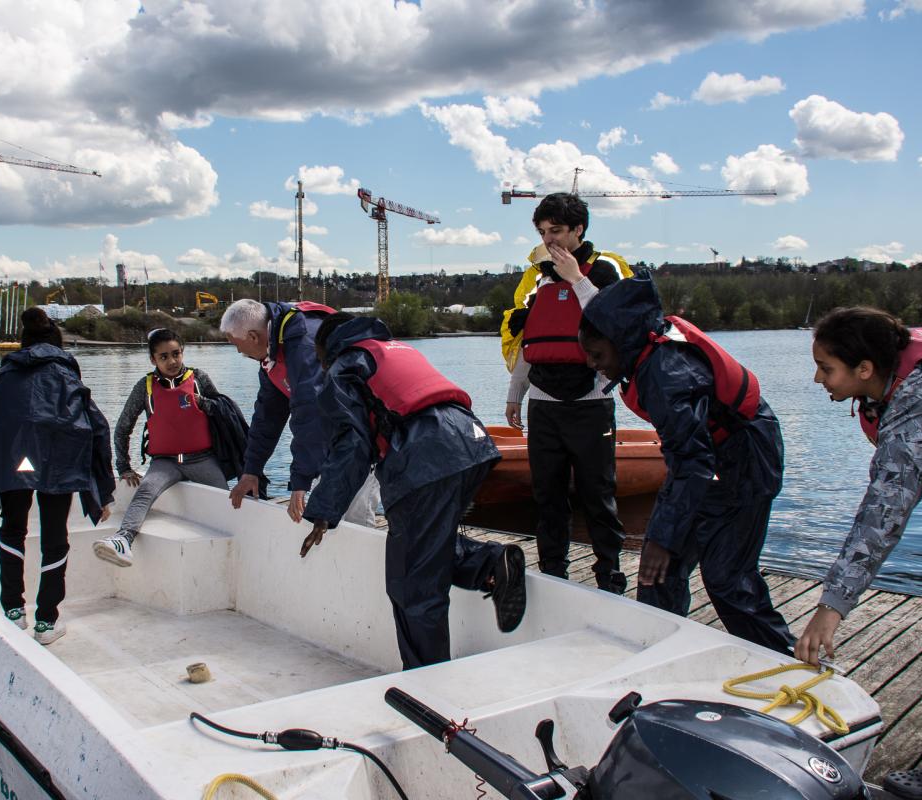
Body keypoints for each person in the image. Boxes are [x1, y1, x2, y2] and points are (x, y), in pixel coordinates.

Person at [577, 272, 793, 654]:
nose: (594, 365)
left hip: (747, 456)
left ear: (624, 341)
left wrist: (664, 538)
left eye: (598, 356)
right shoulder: (645, 359)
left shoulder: (668, 374)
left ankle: (783, 659)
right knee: (658, 571)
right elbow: (690, 459)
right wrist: (663, 539)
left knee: (727, 577)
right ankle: (659, 654)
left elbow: (693, 461)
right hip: (705, 458)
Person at [300, 312, 527, 670]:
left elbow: (351, 445)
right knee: (426, 545)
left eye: (318, 357)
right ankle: (489, 563)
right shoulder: (394, 349)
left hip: (426, 458)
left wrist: (324, 512)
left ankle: (425, 679)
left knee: (412, 582)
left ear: (326, 348)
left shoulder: (344, 367)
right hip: (472, 444)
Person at [792, 308, 922, 800]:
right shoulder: (891, 386)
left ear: (864, 369)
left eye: (826, 368)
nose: (818, 379)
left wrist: (831, 607)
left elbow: (883, 513)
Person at [501, 192, 630, 594]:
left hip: (591, 403)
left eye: (556, 230)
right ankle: (553, 574)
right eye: (543, 232)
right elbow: (530, 338)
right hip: (543, 404)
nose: (549, 240)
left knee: (598, 495)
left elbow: (618, 323)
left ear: (578, 229)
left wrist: (577, 279)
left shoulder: (605, 270)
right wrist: (515, 393)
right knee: (548, 496)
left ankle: (609, 575)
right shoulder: (539, 278)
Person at [0, 307, 115, 645]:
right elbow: (96, 426)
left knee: (13, 528)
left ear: (24, 341)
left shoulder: (5, 374)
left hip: (16, 460)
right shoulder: (66, 373)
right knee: (54, 535)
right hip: (58, 459)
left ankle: (12, 611)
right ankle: (47, 622)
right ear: (57, 343)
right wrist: (102, 487)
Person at [219, 298, 379, 526]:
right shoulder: (273, 353)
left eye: (238, 345)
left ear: (253, 337)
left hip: (364, 437)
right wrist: (251, 469)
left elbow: (309, 413)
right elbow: (267, 416)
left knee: (356, 520)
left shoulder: (303, 345)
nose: (239, 352)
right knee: (325, 517)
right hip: (332, 440)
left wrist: (300, 482)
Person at [93, 328, 238, 566]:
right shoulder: (145, 386)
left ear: (182, 352)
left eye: (176, 354)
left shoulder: (198, 378)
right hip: (165, 462)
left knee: (225, 500)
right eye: (164, 357)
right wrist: (124, 467)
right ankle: (123, 540)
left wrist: (203, 402)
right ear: (153, 359)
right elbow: (123, 427)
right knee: (145, 491)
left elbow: (224, 410)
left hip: (202, 459)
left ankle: (233, 552)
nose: (172, 361)